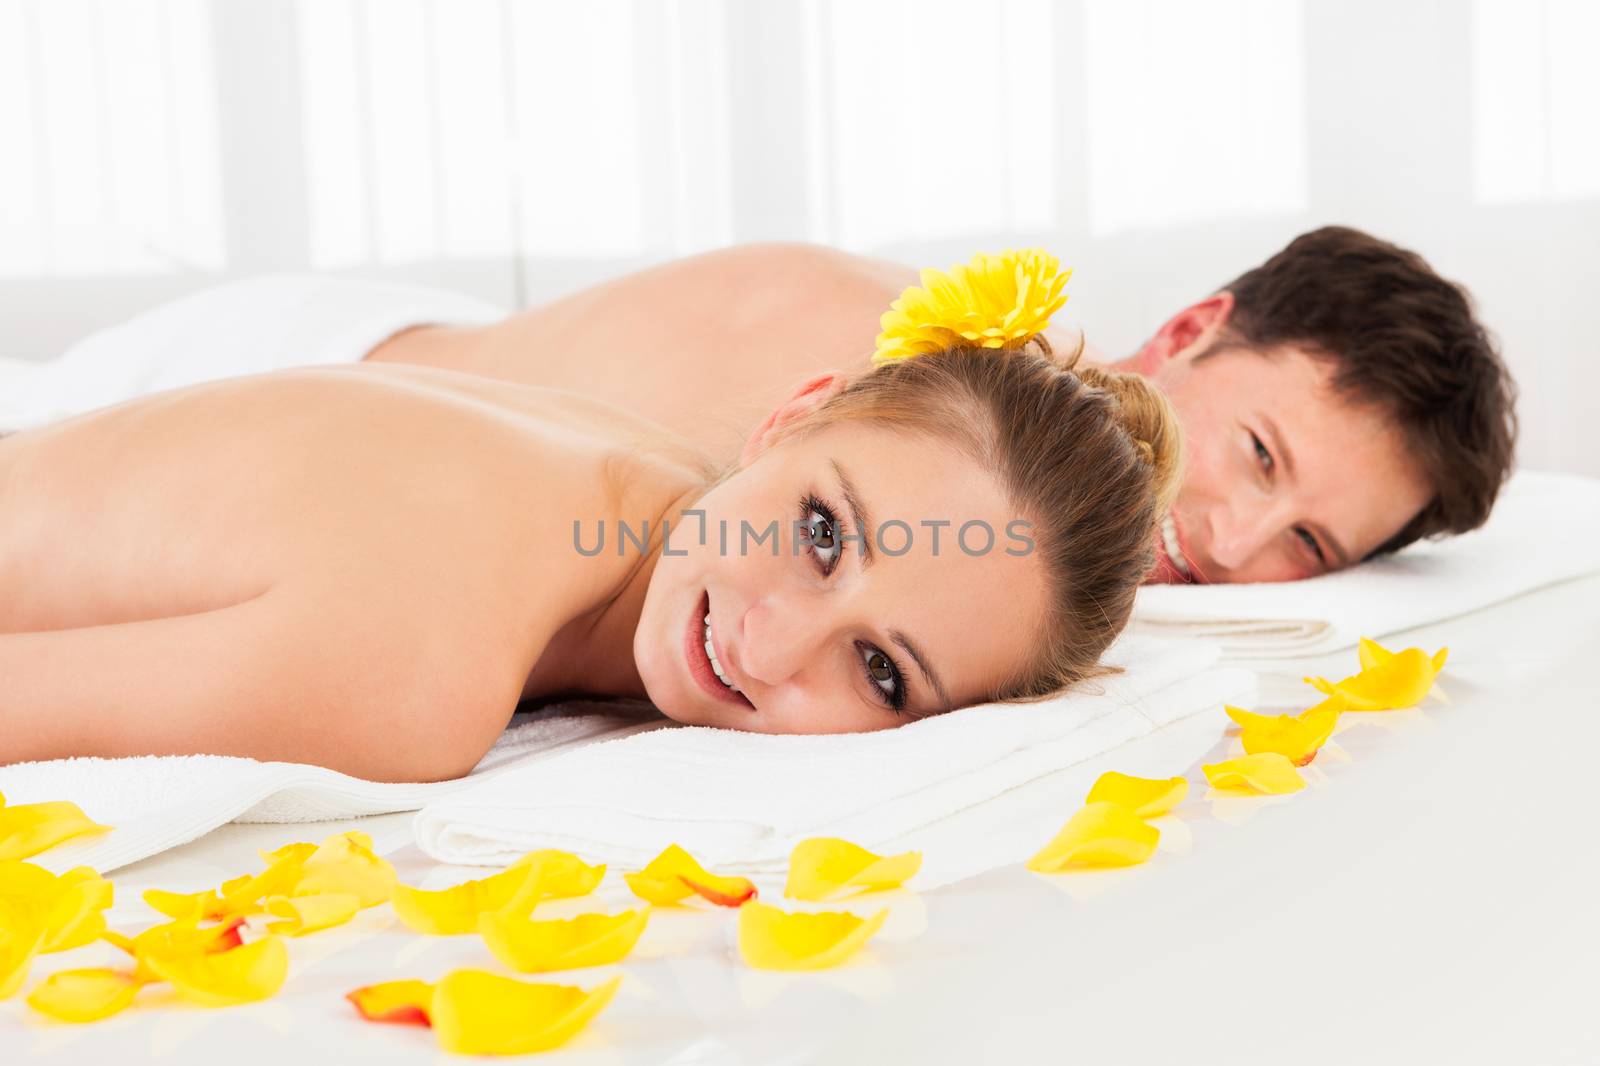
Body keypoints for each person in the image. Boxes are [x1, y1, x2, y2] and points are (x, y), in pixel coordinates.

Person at [0, 253, 1182, 782]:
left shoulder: (637, 475)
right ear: (789, 415)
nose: (766, 647)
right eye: (823, 532)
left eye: (879, 671)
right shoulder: (417, 673)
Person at [4, 226, 1518, 585]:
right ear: (1193, 329)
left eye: (1307, 546)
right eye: (1258, 452)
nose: (1233, 536)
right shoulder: (870, 373)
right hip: (270, 385)